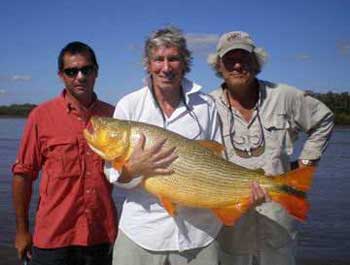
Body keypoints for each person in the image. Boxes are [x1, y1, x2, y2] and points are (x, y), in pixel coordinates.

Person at [208, 31, 334, 265]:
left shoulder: (285, 96)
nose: (237, 65)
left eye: (244, 58)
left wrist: (307, 161)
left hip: (278, 217)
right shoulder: (207, 105)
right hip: (231, 221)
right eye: (229, 59)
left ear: (255, 62)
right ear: (219, 66)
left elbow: (324, 119)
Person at [104, 26, 227, 265]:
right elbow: (112, 174)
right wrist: (134, 168)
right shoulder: (129, 105)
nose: (166, 67)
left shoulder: (206, 105)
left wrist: (245, 193)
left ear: (185, 63)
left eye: (173, 59)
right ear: (148, 64)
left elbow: (218, 163)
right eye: (158, 59)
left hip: (200, 234)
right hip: (141, 231)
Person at [12, 41, 117, 265]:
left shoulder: (114, 116)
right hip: (53, 239)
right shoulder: (40, 116)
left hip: (102, 237)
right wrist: (22, 231)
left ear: (96, 72)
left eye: (86, 69)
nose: (80, 76)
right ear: (61, 75)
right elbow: (23, 175)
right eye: (71, 71)